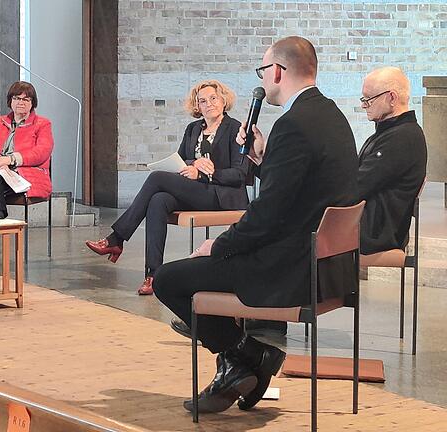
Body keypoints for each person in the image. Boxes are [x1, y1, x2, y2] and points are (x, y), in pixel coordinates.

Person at [153, 36, 358, 414]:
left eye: (263, 71)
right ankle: (242, 363)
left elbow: (266, 214)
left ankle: (246, 355)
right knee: (199, 270)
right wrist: (264, 160)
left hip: (289, 267)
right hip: (328, 266)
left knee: (168, 279)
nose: (263, 79)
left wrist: (220, 244)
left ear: (278, 71)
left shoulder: (294, 125)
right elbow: (297, 194)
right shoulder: (332, 116)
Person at [85, 80, 251, 295]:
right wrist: (193, 164)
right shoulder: (193, 129)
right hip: (196, 191)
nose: (209, 104)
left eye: (213, 98)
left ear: (223, 100)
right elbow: (182, 162)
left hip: (222, 195)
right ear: (197, 106)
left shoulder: (236, 129)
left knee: (156, 179)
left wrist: (205, 173)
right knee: (158, 201)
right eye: (202, 101)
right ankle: (154, 274)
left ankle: (116, 239)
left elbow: (239, 174)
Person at [0, 81, 53, 267]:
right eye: (17, 98)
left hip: (26, 177)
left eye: (26, 99)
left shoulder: (42, 124)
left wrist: (10, 160)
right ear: (10, 101)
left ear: (33, 103)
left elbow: (43, 151)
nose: (21, 102)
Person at [358, 67, 427, 255]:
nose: (364, 105)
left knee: (299, 230)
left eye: (369, 99)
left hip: (376, 233)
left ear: (392, 98)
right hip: (370, 225)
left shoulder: (402, 138)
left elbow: (358, 186)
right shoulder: (391, 132)